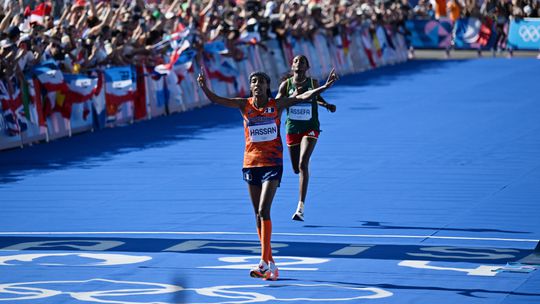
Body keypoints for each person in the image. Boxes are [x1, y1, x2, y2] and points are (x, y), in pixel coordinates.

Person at [197, 68, 337, 280]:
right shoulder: (243, 104)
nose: (257, 85)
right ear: (250, 85)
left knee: (264, 210)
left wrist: (324, 88)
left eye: (261, 82)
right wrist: (203, 87)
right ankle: (271, 263)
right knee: (257, 214)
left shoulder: (276, 105)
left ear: (267, 87)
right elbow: (218, 100)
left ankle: (262, 262)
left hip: (272, 164)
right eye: (254, 81)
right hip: (251, 164)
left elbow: (301, 96)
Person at [276, 55, 337, 222]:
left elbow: (316, 98)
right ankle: (300, 176)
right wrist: (293, 97)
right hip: (292, 128)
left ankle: (300, 207)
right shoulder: (285, 85)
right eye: (296, 61)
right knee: (296, 168)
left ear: (307, 67)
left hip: (310, 127)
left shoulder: (313, 83)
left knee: (304, 163)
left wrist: (326, 105)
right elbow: (276, 104)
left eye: (302, 62)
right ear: (292, 66)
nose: (299, 63)